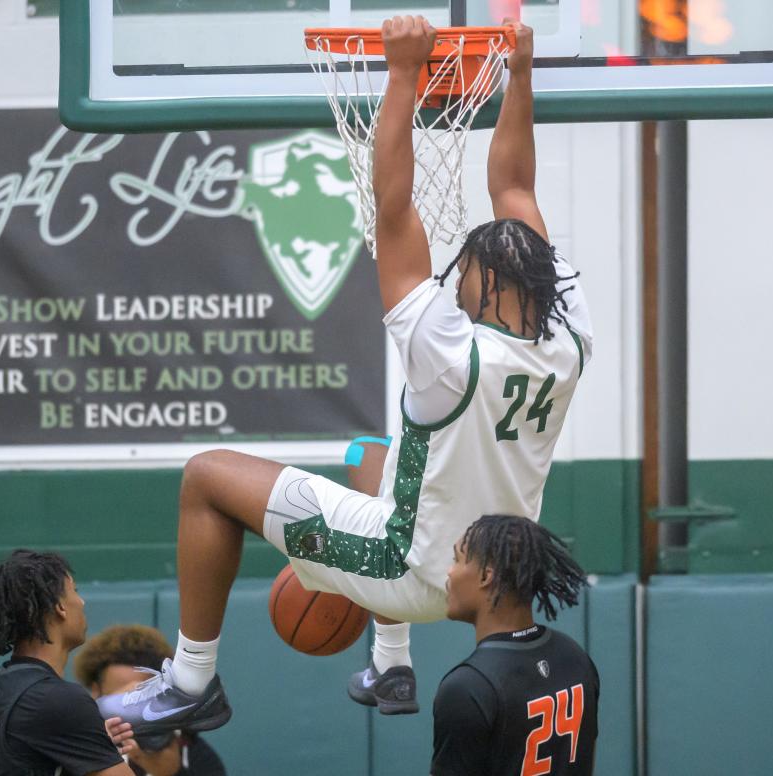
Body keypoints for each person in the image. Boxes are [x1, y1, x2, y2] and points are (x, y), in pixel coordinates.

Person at [103, 15, 593, 734]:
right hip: (488, 562)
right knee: (371, 458)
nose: (450, 285)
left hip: (412, 565)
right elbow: (514, 185)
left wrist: (400, 75)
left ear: (482, 290)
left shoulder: (448, 350)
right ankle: (391, 664)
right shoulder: (570, 333)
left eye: (462, 279)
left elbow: (393, 207)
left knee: (207, 477)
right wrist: (518, 75)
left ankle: (191, 679)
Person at [432, 514, 599, 776]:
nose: (449, 571)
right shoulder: (575, 657)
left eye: (457, 559)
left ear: (486, 576)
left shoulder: (466, 688)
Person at [0, 549, 133, 776]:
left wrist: (87, 750)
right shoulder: (58, 700)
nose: (81, 601)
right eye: (75, 591)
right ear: (60, 607)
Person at [75, 625, 227, 776]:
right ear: (96, 692)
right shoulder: (76, 747)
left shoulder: (188, 749)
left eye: (142, 697)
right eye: (121, 700)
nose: (133, 709)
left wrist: (174, 773)